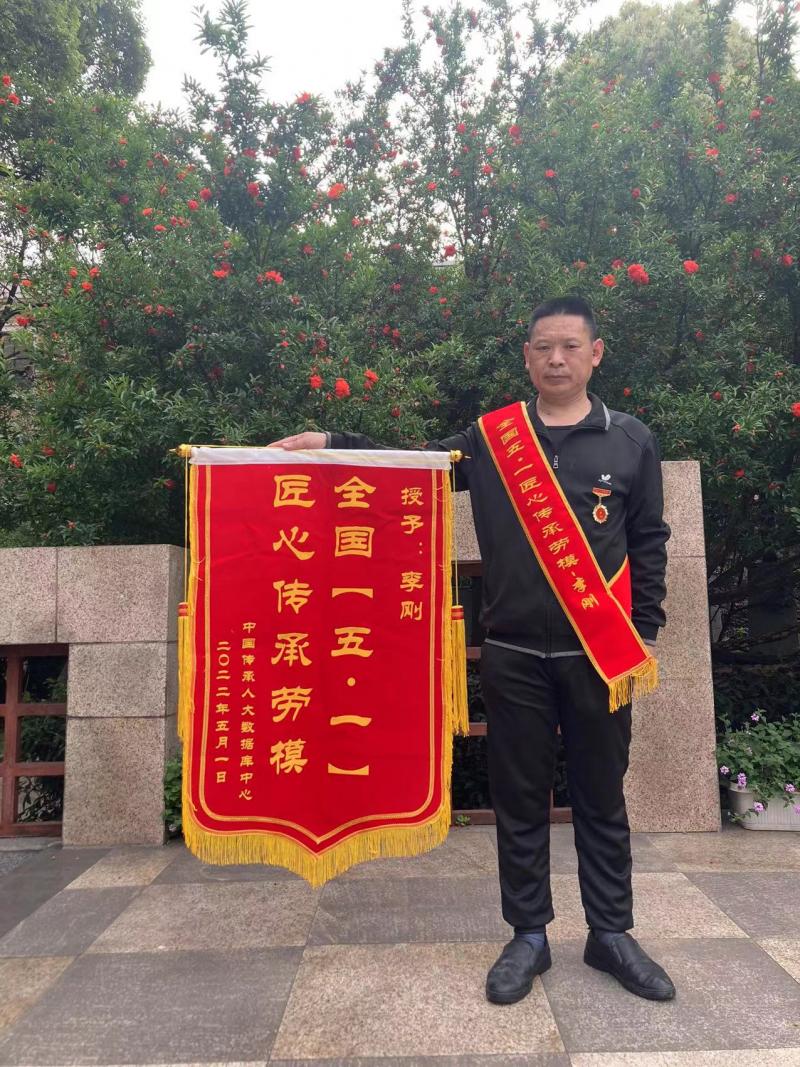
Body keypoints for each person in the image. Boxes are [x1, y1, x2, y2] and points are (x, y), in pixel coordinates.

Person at [270, 295, 676, 1004]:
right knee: (519, 798)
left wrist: (642, 631)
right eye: (543, 347)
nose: (556, 359)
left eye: (570, 347)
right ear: (527, 356)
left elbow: (648, 540)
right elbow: (417, 466)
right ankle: (528, 935)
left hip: (598, 655)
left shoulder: (631, 440)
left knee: (601, 797)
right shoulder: (494, 438)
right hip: (512, 651)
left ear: (595, 354)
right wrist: (329, 441)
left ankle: (611, 932)